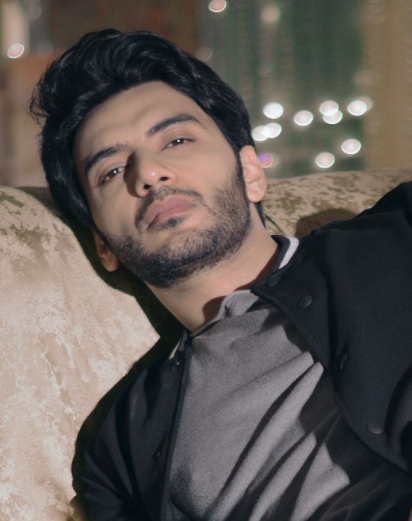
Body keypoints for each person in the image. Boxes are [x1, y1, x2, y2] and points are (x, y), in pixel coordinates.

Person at [30, 29, 412, 521]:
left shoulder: (397, 235)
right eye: (111, 171)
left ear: (250, 171)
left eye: (176, 140)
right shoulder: (120, 450)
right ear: (103, 245)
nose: (148, 172)